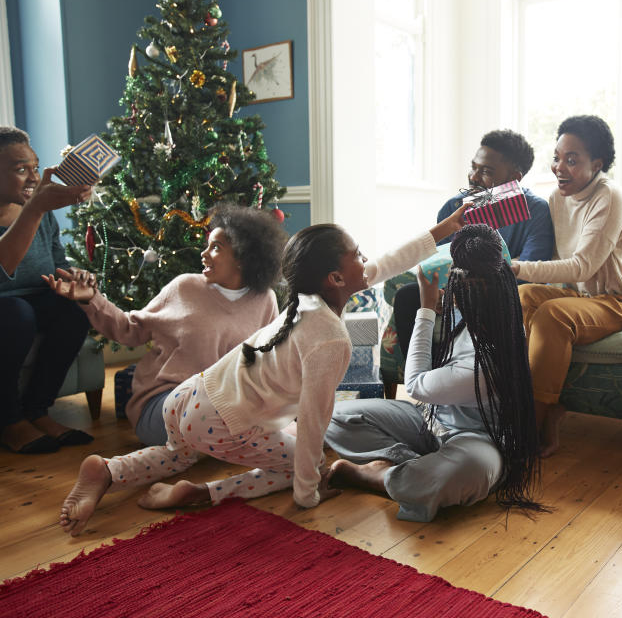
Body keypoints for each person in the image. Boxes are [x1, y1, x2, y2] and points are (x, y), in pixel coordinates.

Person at [58, 206, 469, 536]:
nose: (368, 261)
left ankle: (109, 470)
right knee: (295, 465)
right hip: (221, 420)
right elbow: (313, 421)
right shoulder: (329, 338)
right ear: (337, 277)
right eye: (358, 255)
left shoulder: (305, 302)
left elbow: (387, 263)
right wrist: (307, 490)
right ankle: (205, 494)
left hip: (189, 396)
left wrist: (444, 229)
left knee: (173, 455)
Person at [326, 224, 544, 522]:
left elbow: (415, 384)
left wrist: (426, 309)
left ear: (466, 295)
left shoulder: (483, 367)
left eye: (455, 291)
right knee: (336, 417)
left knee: (465, 473)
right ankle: (412, 463)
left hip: (478, 441)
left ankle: (381, 476)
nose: (449, 295)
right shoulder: (496, 310)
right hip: (429, 421)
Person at [45, 203, 288, 446]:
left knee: (278, 411)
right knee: (227, 415)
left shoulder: (264, 299)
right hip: (164, 403)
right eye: (207, 245)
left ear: (244, 257)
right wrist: (91, 299)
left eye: (216, 248)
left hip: (225, 407)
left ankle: (227, 443)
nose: (203, 254)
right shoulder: (184, 287)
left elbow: (266, 363)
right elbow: (129, 330)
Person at [511, 115, 622, 457]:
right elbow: (558, 266)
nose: (560, 167)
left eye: (572, 160)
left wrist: (516, 266)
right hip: (579, 297)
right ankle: (520, 407)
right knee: (520, 296)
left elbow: (582, 265)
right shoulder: (556, 198)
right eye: (558, 158)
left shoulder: (609, 196)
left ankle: (529, 429)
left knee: (552, 315)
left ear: (597, 164)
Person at [392, 129, 554, 357]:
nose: (474, 177)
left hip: (502, 295)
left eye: (486, 171)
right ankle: (424, 381)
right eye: (474, 167)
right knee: (407, 296)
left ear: (515, 177)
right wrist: (440, 292)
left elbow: (529, 269)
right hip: (455, 288)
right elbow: (441, 259)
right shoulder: (454, 208)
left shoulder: (535, 210)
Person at [0, 127, 92, 454]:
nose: (32, 177)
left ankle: (37, 411)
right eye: (20, 169)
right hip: (7, 310)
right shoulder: (36, 209)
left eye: (35, 168)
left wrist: (74, 281)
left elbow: (56, 264)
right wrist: (35, 209)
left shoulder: (42, 214)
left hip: (31, 302)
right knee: (16, 313)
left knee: (75, 309)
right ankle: (9, 421)